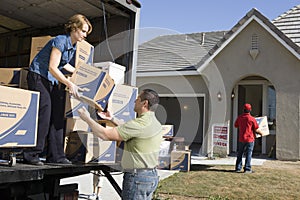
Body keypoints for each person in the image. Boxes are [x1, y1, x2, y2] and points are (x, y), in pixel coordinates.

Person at [23, 14, 93, 165]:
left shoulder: (73, 46)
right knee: (45, 112)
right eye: (83, 31)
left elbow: (64, 64)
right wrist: (70, 84)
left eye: (86, 32)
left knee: (57, 116)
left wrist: (79, 75)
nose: (85, 35)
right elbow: (53, 67)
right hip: (39, 76)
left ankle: (56, 156)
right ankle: (31, 154)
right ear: (74, 28)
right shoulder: (60, 40)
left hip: (51, 80)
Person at [78, 89, 162, 200]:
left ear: (144, 103)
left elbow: (105, 135)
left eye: (137, 99)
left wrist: (87, 118)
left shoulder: (139, 124)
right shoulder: (155, 123)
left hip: (137, 178)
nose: (134, 102)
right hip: (150, 176)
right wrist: (112, 119)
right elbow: (129, 129)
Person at [234, 103, 263, 173]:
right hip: (250, 139)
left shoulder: (240, 117)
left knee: (240, 153)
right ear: (250, 110)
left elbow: (235, 125)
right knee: (248, 154)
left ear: (243, 109)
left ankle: (238, 168)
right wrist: (262, 133)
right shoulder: (252, 119)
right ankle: (247, 169)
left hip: (241, 139)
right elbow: (256, 129)